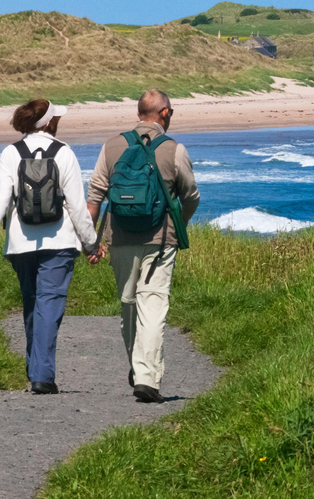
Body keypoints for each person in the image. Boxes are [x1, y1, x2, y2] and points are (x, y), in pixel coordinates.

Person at [0, 99, 99, 395]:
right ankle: (42, 375)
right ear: (47, 123)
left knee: (33, 304)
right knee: (49, 304)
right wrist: (91, 243)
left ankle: (35, 371)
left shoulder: (11, 153)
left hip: (20, 243)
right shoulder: (64, 152)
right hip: (59, 242)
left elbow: (0, 200)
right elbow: (76, 205)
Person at [87, 89, 199, 403]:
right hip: (161, 240)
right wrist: (178, 225)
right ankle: (147, 377)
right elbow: (191, 196)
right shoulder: (173, 149)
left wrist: (91, 241)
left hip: (119, 238)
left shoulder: (111, 146)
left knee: (128, 304)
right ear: (165, 114)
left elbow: (95, 196)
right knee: (153, 304)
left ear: (139, 113)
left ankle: (138, 372)